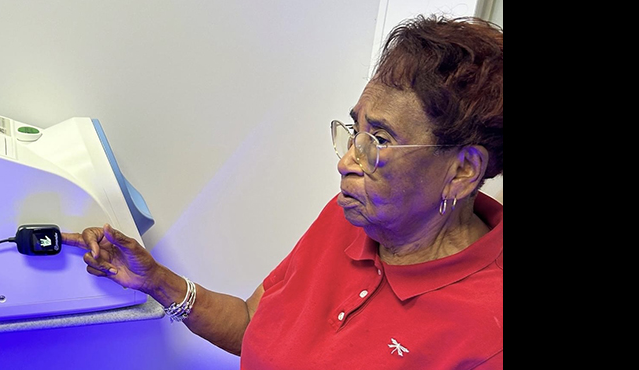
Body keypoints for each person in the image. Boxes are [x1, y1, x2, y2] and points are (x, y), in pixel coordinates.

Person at [63, 14, 503, 369]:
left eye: (380, 141)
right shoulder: (349, 217)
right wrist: (156, 281)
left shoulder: (488, 333)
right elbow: (253, 324)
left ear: (463, 170)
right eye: (355, 131)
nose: (346, 161)